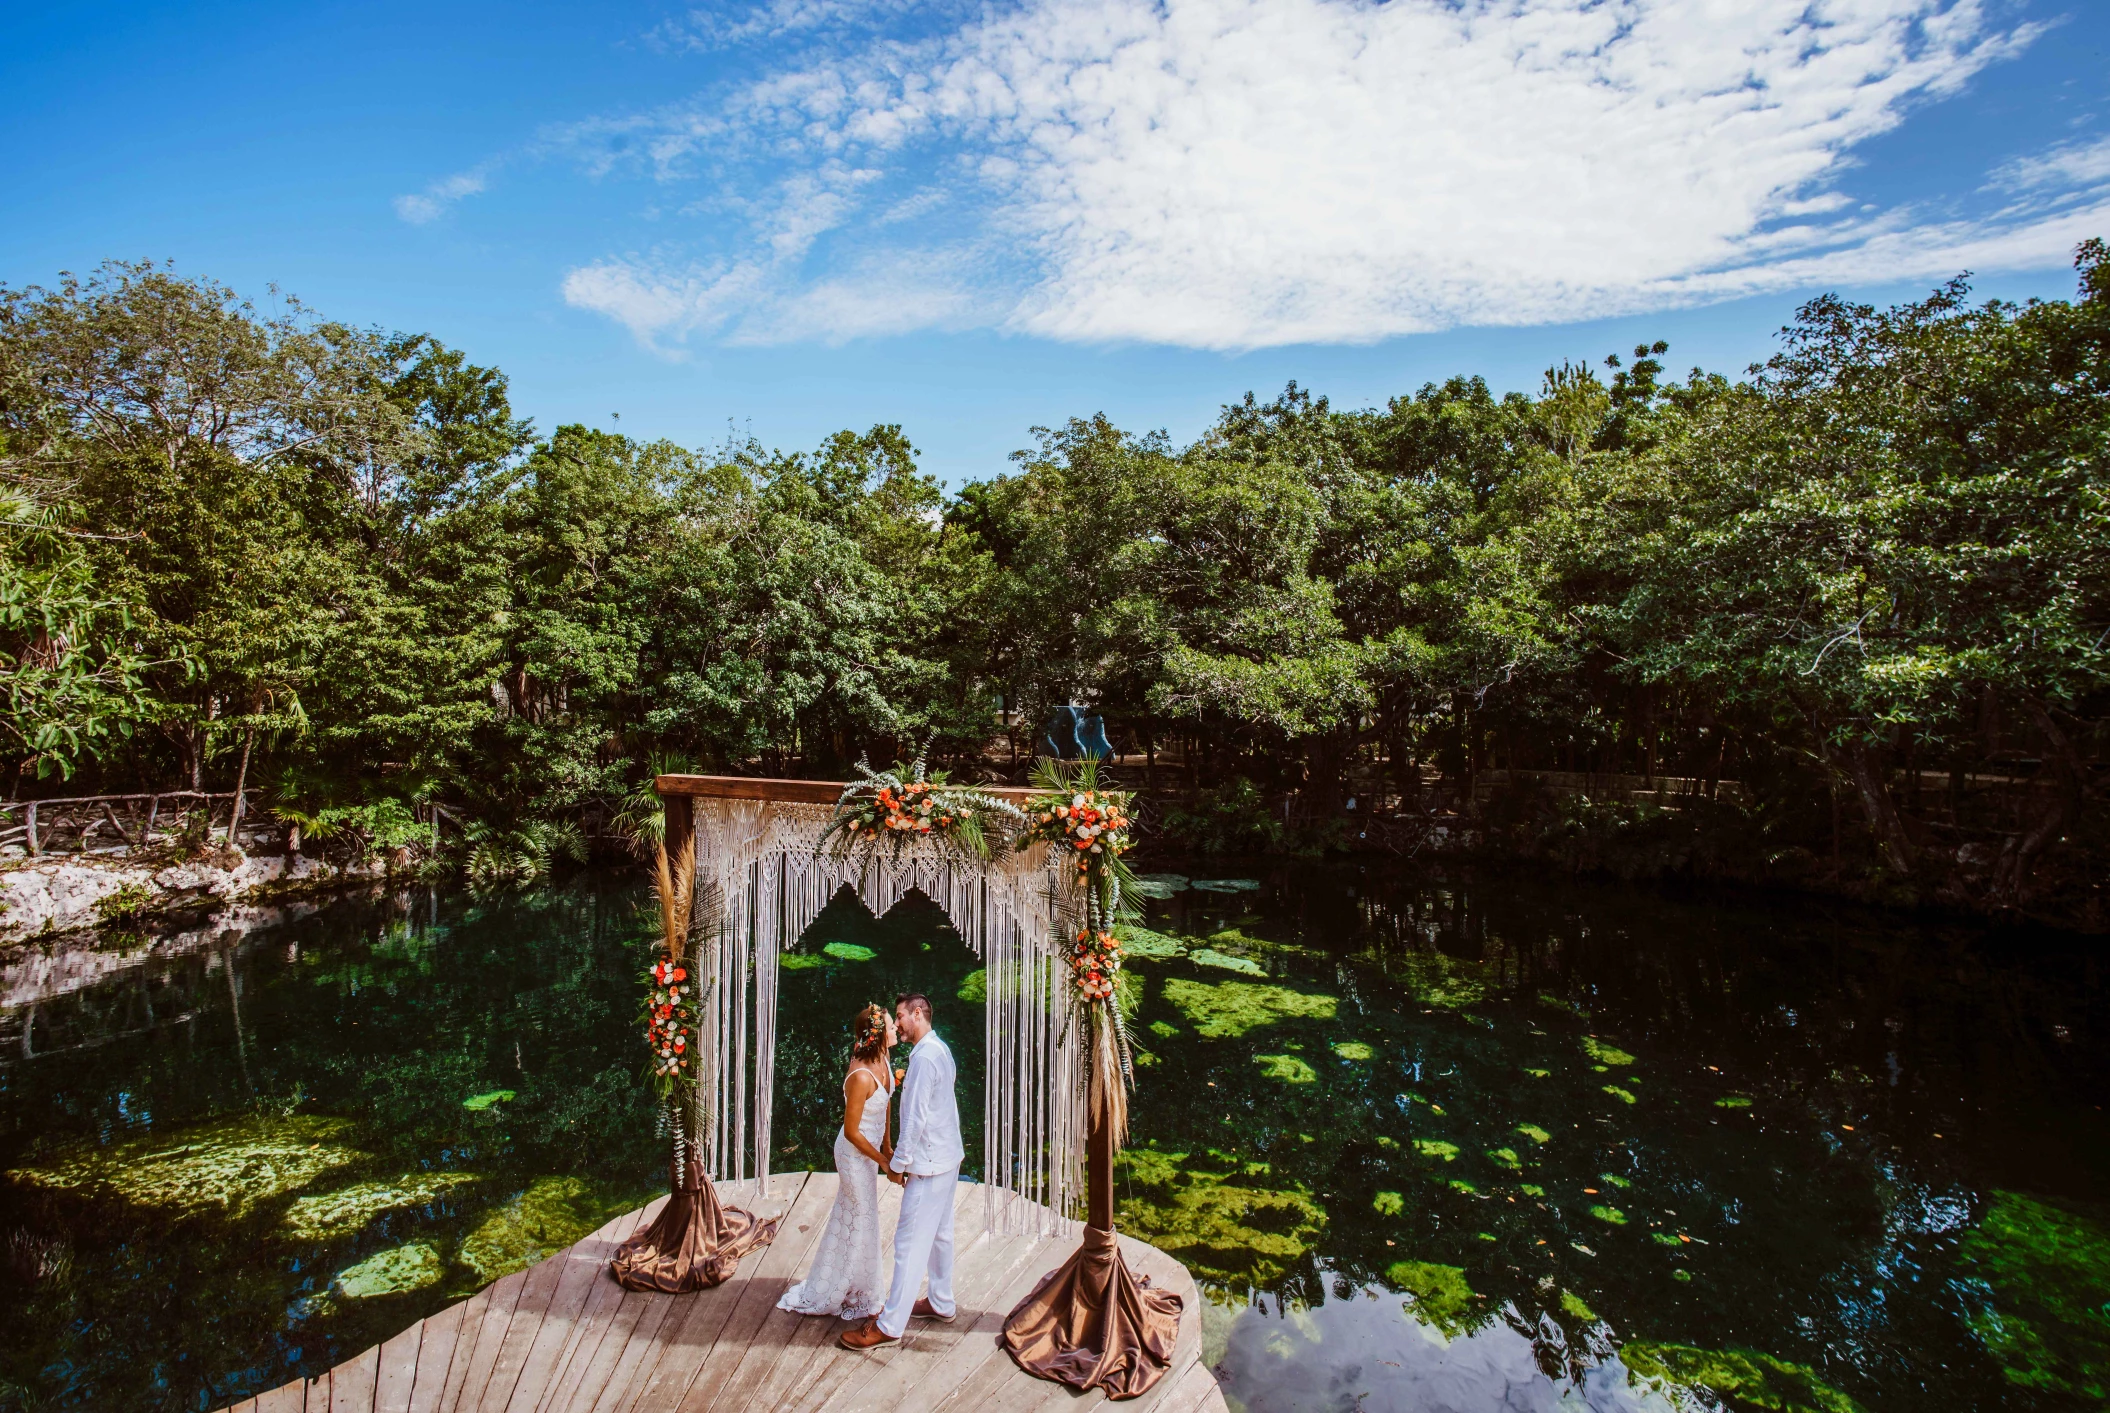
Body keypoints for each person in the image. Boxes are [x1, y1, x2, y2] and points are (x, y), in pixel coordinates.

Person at [839, 992, 963, 1349]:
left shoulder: (924, 1059)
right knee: (940, 1235)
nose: (896, 1024)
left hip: (928, 1163)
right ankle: (941, 1302)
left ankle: (890, 1326)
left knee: (908, 1245)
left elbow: (916, 1120)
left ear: (919, 1013)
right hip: (948, 1156)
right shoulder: (938, 1049)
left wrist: (897, 1163)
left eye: (900, 1016)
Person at [777, 1002, 896, 1319]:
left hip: (871, 1153)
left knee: (861, 1218)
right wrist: (884, 1162)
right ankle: (836, 1289)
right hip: (853, 1155)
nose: (897, 1027)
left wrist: (888, 1145)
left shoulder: (883, 1059)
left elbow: (885, 1106)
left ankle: (858, 1287)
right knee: (861, 1217)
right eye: (891, 1024)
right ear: (879, 1034)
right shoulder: (860, 1075)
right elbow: (852, 1132)